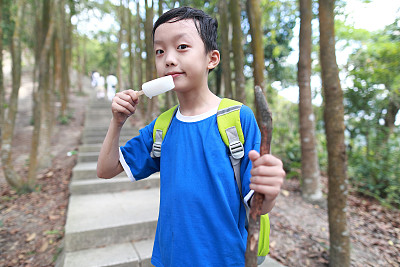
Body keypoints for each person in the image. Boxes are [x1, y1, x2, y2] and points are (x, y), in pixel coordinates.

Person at [97, 6, 285, 267]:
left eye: (182, 46)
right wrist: (117, 122)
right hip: (171, 258)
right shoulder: (161, 127)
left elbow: (259, 206)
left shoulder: (237, 118)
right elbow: (105, 169)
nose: (168, 59)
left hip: (227, 259)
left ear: (212, 59)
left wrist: (270, 189)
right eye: (159, 51)